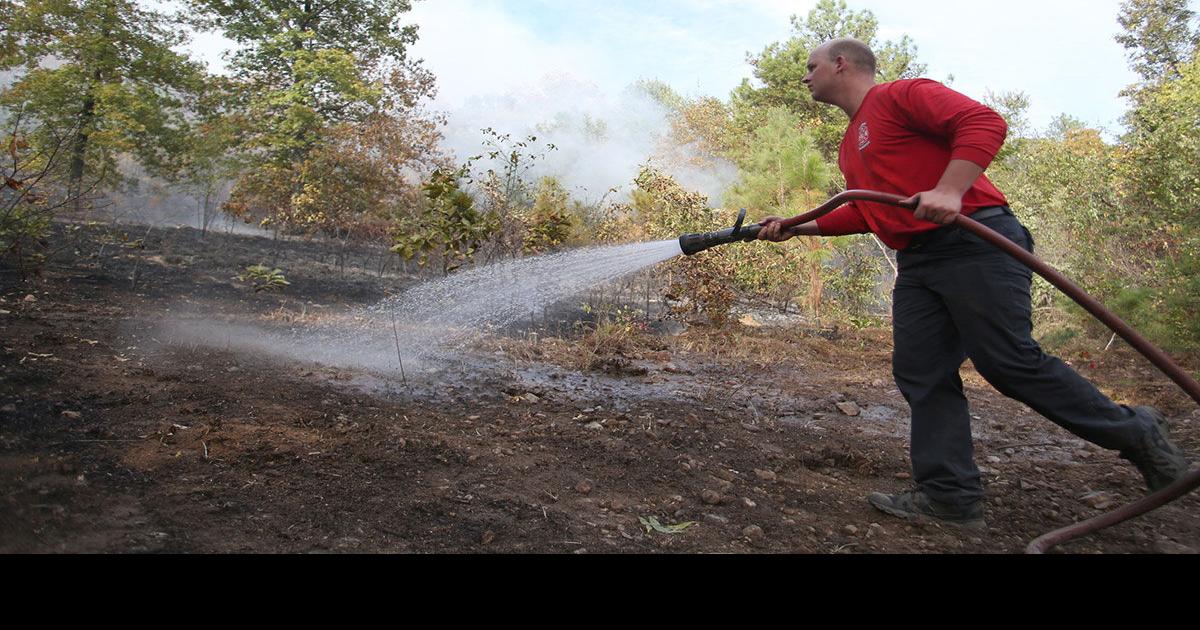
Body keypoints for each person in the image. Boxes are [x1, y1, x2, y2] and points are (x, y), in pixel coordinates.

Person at [757, 38, 1190, 529]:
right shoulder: (850, 144)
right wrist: (799, 225)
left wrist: (950, 189)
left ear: (841, 64)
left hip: (975, 241)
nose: (805, 76)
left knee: (1008, 363)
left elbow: (984, 122)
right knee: (921, 372)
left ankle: (1137, 432)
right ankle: (950, 497)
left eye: (811, 66)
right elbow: (869, 210)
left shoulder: (902, 95)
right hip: (919, 261)